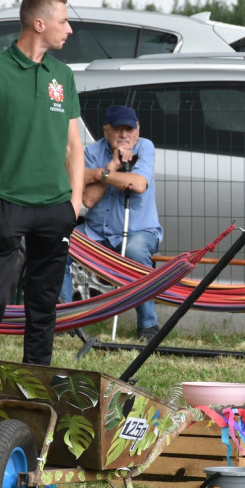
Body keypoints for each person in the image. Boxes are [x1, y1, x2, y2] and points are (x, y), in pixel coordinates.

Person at [0, 0, 84, 367]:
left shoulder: (62, 75)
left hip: (55, 209)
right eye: (63, 21)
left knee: (42, 306)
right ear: (39, 23)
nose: (69, 29)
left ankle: (36, 390)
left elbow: (73, 147)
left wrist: (75, 201)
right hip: (6, 206)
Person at [60, 105, 162, 341]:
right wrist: (111, 167)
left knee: (136, 252)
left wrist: (98, 175)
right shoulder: (92, 152)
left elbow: (137, 184)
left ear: (138, 129)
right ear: (106, 130)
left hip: (139, 231)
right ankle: (66, 322)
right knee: (60, 244)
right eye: (118, 129)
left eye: (130, 128)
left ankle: (149, 326)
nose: (125, 135)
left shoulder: (145, 147)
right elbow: (88, 199)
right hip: (97, 233)